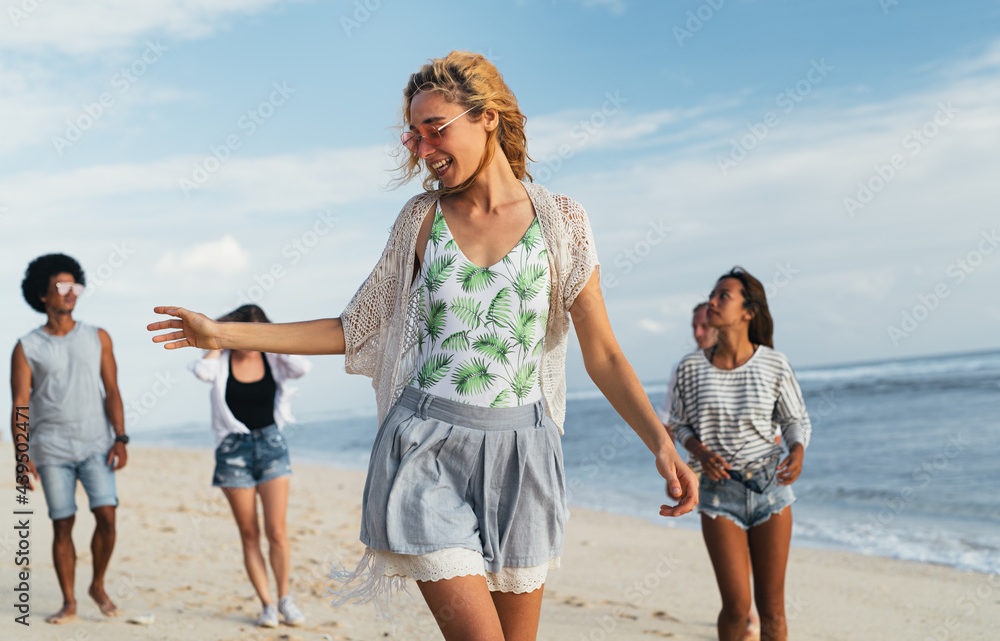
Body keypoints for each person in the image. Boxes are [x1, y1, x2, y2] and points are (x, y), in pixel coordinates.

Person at [147, 51, 697, 641]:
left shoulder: (561, 221)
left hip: (526, 455)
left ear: (486, 117)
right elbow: (354, 329)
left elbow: (604, 353)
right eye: (414, 134)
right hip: (426, 449)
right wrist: (220, 334)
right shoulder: (420, 220)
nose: (423, 148)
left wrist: (659, 442)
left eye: (435, 129)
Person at [668, 267, 811, 641]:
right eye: (711, 296)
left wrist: (797, 451)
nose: (712, 302)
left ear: (748, 311)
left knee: (773, 610)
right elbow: (678, 425)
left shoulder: (774, 364)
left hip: (771, 491)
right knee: (735, 607)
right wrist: (699, 451)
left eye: (723, 296)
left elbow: (794, 420)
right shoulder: (690, 368)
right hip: (718, 494)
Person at [10, 253, 128, 624]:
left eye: (75, 285)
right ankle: (69, 602)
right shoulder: (27, 347)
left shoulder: (98, 337)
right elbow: (20, 405)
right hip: (51, 449)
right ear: (42, 294)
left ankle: (97, 584)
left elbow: (112, 390)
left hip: (96, 444)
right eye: (62, 286)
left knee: (107, 516)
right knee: (63, 523)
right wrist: (21, 456)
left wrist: (121, 437)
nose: (71, 292)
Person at [188, 304, 311, 628]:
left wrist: (272, 339)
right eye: (245, 333)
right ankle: (267, 605)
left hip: (272, 447)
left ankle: (285, 599)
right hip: (233, 452)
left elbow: (302, 366)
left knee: (277, 532)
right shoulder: (222, 361)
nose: (251, 340)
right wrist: (218, 339)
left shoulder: (273, 358)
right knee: (249, 533)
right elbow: (202, 371)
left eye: (257, 333)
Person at [660, 301, 718, 437]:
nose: (697, 333)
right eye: (694, 327)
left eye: (704, 326)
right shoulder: (682, 369)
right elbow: (666, 420)